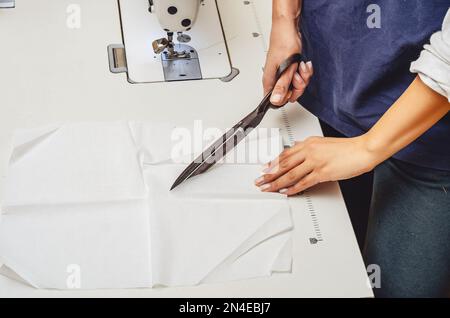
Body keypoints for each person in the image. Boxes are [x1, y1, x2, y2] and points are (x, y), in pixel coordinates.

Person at [256, 0, 450, 297]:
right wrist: (284, 18)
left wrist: (366, 150)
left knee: (395, 288)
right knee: (328, 269)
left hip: (431, 135)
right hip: (332, 79)